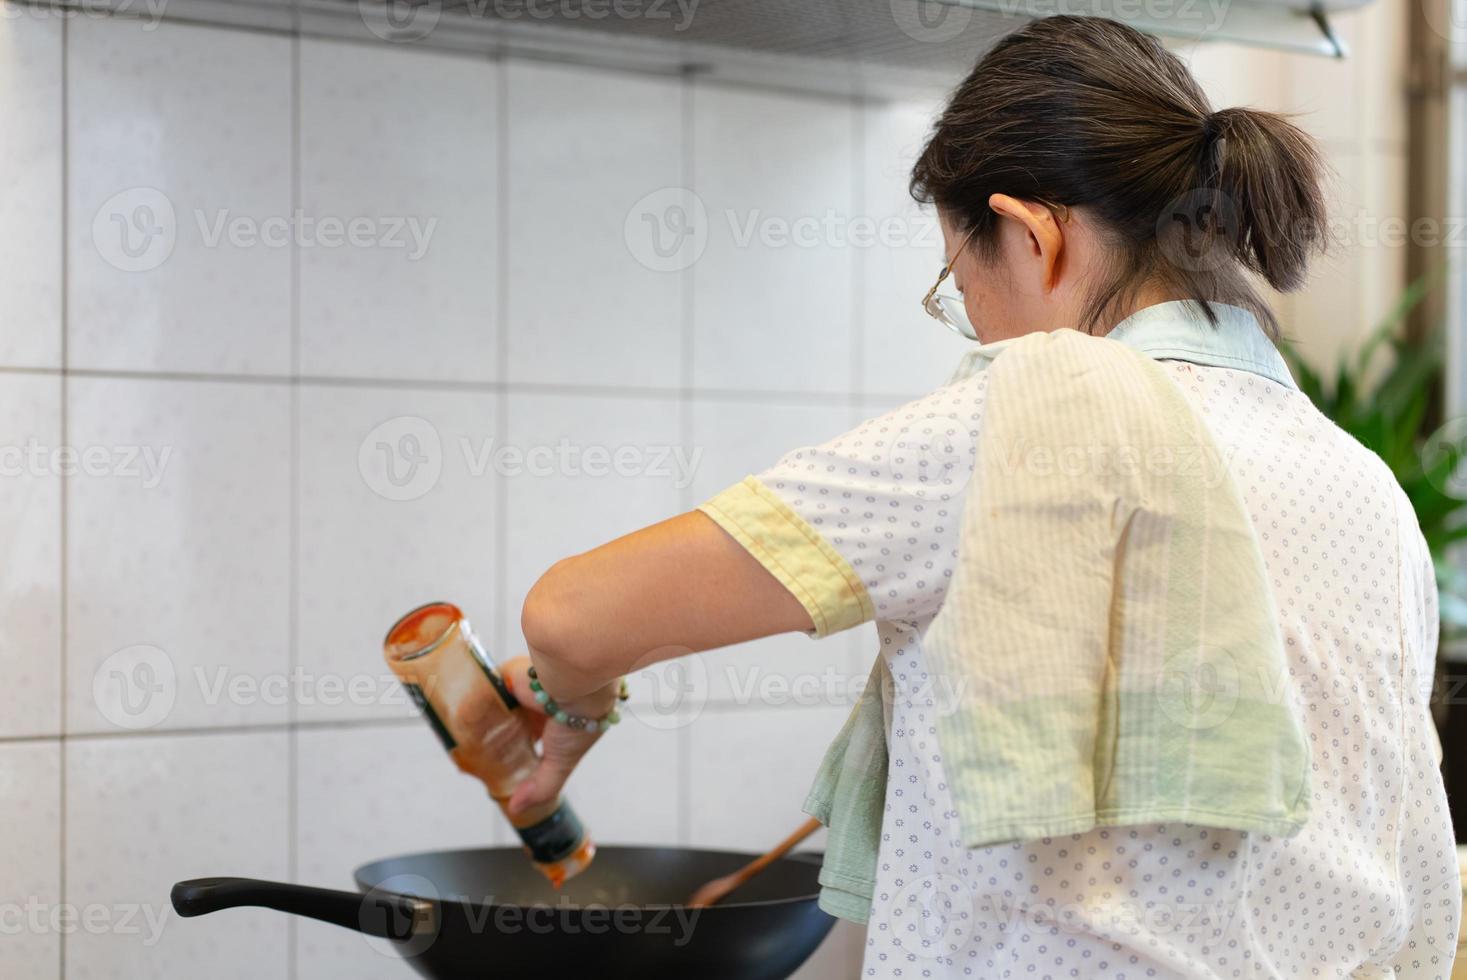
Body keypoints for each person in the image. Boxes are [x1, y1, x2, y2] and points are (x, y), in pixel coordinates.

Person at [500, 15, 1460, 978]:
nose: (976, 326)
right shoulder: (1361, 484)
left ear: (1034, 236)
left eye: (960, 286)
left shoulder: (1031, 414)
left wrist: (568, 714)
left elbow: (572, 616)